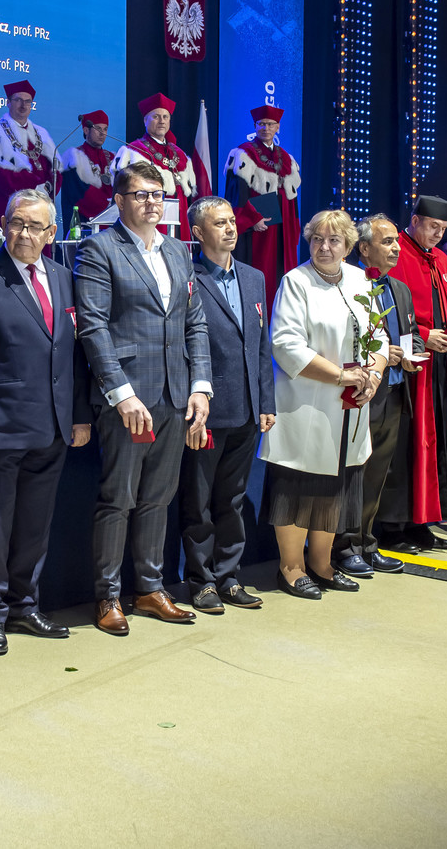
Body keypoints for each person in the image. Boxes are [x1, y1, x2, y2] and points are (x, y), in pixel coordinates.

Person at [74, 160, 211, 634]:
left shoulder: (177, 250)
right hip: (128, 400)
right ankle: (108, 596)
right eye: (141, 195)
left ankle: (150, 589)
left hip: (175, 395)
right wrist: (120, 394)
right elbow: (93, 327)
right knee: (119, 499)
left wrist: (200, 386)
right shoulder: (100, 249)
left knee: (158, 497)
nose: (152, 203)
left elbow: (194, 322)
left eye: (158, 194)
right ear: (119, 201)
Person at [0, 189, 90, 654]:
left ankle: (24, 606)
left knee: (34, 526)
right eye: (17, 223)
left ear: (51, 233)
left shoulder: (65, 278)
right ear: (4, 224)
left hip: (53, 427)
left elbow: (74, 356)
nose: (24, 233)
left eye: (35, 226)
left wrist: (80, 416)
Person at [260, 209, 387, 599]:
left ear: (348, 246)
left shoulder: (360, 280)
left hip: (350, 408)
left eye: (334, 240)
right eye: (317, 239)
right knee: (299, 489)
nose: (324, 247)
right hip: (306, 406)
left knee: (336, 486)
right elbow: (285, 345)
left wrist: (374, 374)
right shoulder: (296, 282)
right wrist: (340, 376)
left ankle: (321, 563)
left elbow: (379, 335)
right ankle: (291, 567)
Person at [179, 196, 274, 613]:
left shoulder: (253, 277)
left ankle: (229, 576)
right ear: (198, 233)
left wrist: (266, 400)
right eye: (220, 223)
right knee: (198, 501)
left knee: (232, 499)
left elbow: (261, 345)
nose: (231, 228)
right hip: (207, 411)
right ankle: (201, 581)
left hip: (248, 409)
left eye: (232, 221)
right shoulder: (187, 276)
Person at [383, 195, 447, 553]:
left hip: (439, 369)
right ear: (415, 220)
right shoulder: (396, 253)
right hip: (408, 366)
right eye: (433, 226)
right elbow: (384, 311)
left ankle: (422, 522)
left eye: (443, 229)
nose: (438, 234)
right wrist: (423, 334)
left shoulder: (441, 260)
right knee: (405, 446)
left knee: (436, 445)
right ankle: (391, 526)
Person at [343, 214, 416, 578]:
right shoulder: (350, 284)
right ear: (364, 248)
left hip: (395, 392)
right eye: (387, 242)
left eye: (397, 241)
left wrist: (412, 353)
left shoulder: (399, 288)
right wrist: (383, 355)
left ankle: (366, 543)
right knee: (353, 474)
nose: (396, 248)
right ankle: (344, 547)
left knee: (377, 475)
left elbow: (411, 335)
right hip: (362, 393)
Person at [224, 104, 303, 304]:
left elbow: (292, 199)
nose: (265, 128)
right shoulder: (243, 154)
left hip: (283, 229)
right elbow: (236, 195)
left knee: (282, 276)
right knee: (259, 273)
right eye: (261, 124)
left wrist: (293, 227)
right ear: (255, 126)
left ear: (277, 127)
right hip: (258, 229)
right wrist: (251, 220)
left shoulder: (287, 158)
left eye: (270, 124)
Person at [113, 93, 211, 241]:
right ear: (145, 120)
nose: (161, 121)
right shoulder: (133, 151)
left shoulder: (179, 154)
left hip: (180, 222)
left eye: (165, 117)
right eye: (156, 117)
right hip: (149, 220)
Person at [0, 81, 56, 222]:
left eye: (27, 101)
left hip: (38, 209)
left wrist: (47, 188)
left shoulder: (41, 134)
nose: (23, 105)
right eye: (18, 100)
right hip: (4, 208)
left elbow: (54, 170)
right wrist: (34, 187)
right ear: (8, 102)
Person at [58, 110, 115, 230]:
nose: (102, 133)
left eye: (105, 129)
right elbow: (78, 195)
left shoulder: (112, 158)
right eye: (98, 128)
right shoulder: (74, 159)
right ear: (86, 130)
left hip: (111, 224)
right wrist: (108, 206)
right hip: (83, 225)